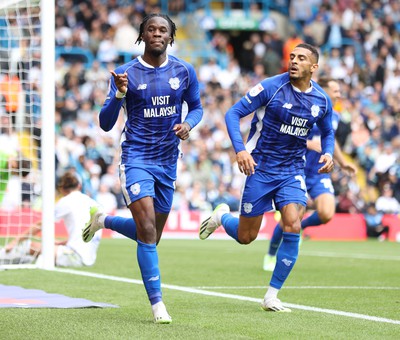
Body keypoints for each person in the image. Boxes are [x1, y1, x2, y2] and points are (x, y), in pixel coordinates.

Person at [82, 13, 203, 324]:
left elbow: (198, 107)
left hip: (167, 161)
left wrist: (188, 124)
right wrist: (120, 93)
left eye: (163, 29)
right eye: (151, 29)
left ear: (171, 37)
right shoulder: (125, 72)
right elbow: (105, 123)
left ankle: (104, 220)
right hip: (135, 159)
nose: (157, 34)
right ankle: (158, 305)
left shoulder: (184, 71)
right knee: (147, 232)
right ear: (142, 36)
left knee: (151, 235)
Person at [199, 43, 335, 312]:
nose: (294, 61)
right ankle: (221, 217)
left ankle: (272, 295)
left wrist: (328, 153)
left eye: (301, 58)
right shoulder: (271, 87)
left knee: (293, 224)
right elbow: (233, 113)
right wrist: (240, 150)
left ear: (313, 67)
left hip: (291, 171)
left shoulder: (321, 99)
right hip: (259, 168)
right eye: (292, 57)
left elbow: (327, 132)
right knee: (246, 236)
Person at [263, 77, 358, 271]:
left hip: (319, 171)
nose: (339, 94)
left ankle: (301, 229)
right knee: (292, 216)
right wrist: (308, 144)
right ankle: (271, 254)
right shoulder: (306, 107)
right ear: (323, 90)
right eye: (336, 90)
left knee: (326, 213)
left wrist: (341, 162)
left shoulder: (334, 116)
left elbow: (330, 139)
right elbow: (287, 133)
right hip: (296, 168)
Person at [0, 171, 102, 267]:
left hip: (73, 255)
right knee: (45, 247)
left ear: (61, 188)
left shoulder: (66, 201)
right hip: (89, 258)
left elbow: (41, 224)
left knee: (29, 246)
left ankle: (4, 256)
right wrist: (64, 242)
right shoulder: (93, 202)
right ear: (79, 186)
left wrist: (15, 241)